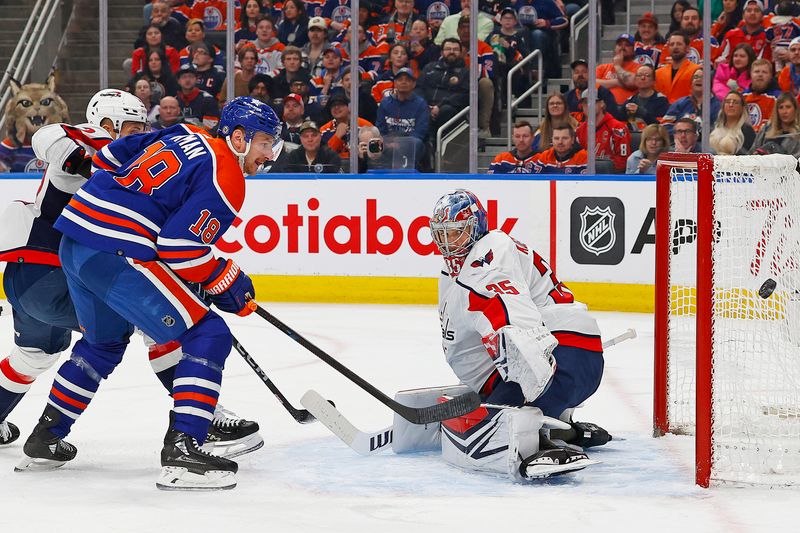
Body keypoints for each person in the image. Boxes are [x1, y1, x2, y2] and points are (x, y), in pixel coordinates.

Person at [18, 97, 282, 491]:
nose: (269, 154)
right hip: (115, 251)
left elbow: (109, 155)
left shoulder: (184, 132)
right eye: (264, 143)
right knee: (207, 335)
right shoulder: (226, 173)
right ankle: (183, 452)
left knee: (102, 343)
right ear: (239, 138)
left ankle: (46, 437)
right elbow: (180, 247)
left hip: (74, 240)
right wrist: (226, 278)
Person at [427, 189, 608, 479]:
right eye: (442, 234)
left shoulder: (488, 254)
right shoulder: (466, 265)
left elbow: (511, 314)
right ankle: (566, 429)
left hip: (564, 360)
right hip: (573, 356)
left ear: (476, 228)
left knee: (498, 417)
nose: (448, 242)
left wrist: (520, 383)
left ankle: (538, 442)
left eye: (457, 233)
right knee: (501, 399)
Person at [375, 67, 428, 167]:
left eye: (408, 80)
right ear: (394, 83)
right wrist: (387, 142)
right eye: (400, 79)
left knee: (417, 143)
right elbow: (380, 128)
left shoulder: (420, 104)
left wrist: (401, 144)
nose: (404, 82)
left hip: (410, 143)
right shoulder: (385, 103)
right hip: (389, 142)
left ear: (414, 84)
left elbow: (420, 132)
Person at [416, 38, 469, 135]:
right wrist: (425, 106)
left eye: (455, 49)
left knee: (446, 111)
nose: (451, 52)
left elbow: (465, 95)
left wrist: (439, 106)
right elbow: (418, 88)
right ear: (441, 52)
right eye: (448, 49)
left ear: (461, 53)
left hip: (448, 110)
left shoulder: (466, 73)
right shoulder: (429, 67)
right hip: (425, 106)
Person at [576, 91, 631, 173]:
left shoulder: (618, 128)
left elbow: (623, 160)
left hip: (611, 177)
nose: (588, 105)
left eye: (591, 101)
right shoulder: (580, 129)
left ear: (602, 103)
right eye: (585, 103)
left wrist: (602, 167)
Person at [320, 93, 374, 159]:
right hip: (334, 166)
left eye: (340, 104)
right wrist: (337, 136)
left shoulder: (365, 126)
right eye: (333, 105)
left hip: (360, 165)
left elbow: (374, 152)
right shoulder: (325, 130)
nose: (336, 107)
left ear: (349, 107)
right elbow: (324, 156)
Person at [717, 0, 771, 64]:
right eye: (749, 10)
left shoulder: (767, 37)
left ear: (762, 16)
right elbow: (722, 58)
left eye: (756, 10)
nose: (752, 13)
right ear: (743, 15)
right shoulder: (731, 35)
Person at [277, 120, 342, 172]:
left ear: (320, 136)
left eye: (314, 135)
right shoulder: (293, 157)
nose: (310, 139)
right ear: (301, 139)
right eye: (305, 136)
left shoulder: (331, 156)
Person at [655, 32, 701, 104]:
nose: (675, 47)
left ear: (687, 48)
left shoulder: (696, 70)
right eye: (672, 44)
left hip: (686, 112)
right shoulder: (658, 73)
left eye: (679, 44)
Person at [596, 34, 641, 105]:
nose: (623, 47)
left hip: (628, 108)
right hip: (604, 109)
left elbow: (631, 82)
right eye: (619, 44)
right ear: (615, 48)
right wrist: (617, 82)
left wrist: (617, 66)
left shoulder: (639, 68)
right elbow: (591, 84)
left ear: (633, 50)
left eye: (627, 45)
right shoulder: (602, 68)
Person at [751, 91, 800, 156]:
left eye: (788, 107)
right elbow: (753, 150)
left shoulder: (798, 134)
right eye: (781, 107)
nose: (784, 111)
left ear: (795, 109)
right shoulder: (767, 128)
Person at [623, 65, 670, 131]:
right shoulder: (630, 100)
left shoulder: (661, 100)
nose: (642, 78)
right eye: (639, 75)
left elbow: (661, 126)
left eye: (647, 75)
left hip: (653, 137)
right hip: (633, 137)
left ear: (653, 81)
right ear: (635, 79)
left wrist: (642, 112)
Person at [175, 64, 221, 130]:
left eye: (191, 77)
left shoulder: (208, 100)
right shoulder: (175, 101)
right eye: (184, 77)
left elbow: (211, 128)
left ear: (197, 79)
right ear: (178, 81)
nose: (187, 80)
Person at [744, 59, 782, 131]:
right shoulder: (742, 97)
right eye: (756, 72)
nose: (760, 75)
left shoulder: (779, 98)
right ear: (751, 74)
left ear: (771, 76)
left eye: (764, 72)